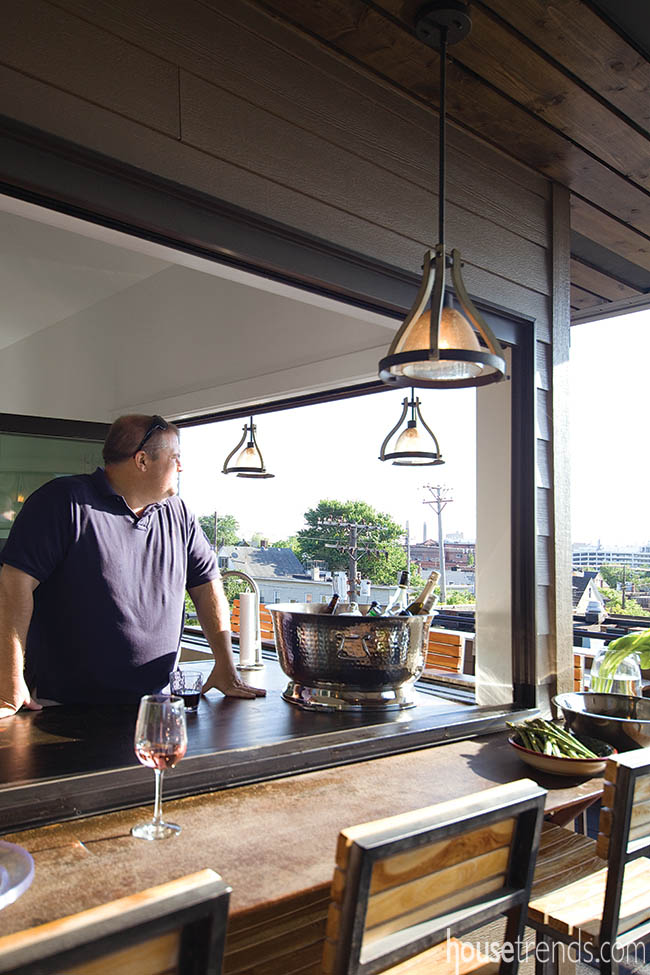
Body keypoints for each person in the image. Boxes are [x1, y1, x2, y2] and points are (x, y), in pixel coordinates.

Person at [0, 414, 265, 717]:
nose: (181, 466)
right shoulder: (63, 502)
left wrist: (226, 665)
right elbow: (13, 585)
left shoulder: (180, 514)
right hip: (61, 705)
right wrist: (9, 680)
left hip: (155, 703)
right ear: (142, 460)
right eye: (175, 457)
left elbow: (207, 587)